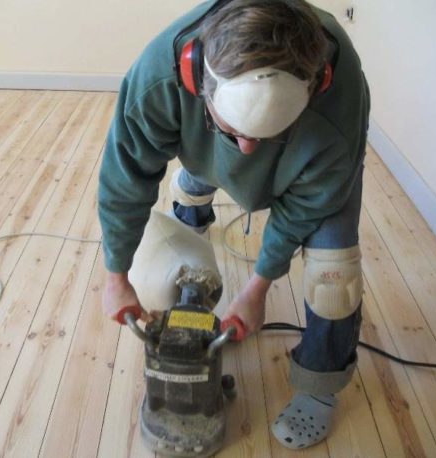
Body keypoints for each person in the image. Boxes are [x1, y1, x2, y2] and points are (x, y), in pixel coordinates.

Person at [98, 0, 370, 450]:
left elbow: (303, 208)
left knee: (333, 278)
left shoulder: (337, 106)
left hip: (308, 154)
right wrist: (115, 275)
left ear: (316, 86)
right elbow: (124, 181)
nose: (247, 149)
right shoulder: (159, 78)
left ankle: (319, 386)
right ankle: (196, 192)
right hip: (200, 135)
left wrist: (256, 290)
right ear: (192, 76)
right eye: (232, 130)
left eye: (263, 136)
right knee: (212, 157)